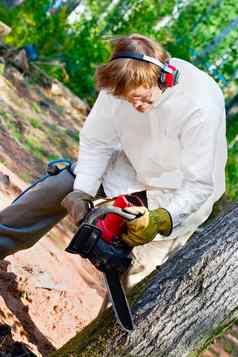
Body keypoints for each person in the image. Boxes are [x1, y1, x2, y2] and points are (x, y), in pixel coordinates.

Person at [0, 33, 227, 288]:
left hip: (180, 193)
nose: (136, 105)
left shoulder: (199, 107)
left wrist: (160, 218)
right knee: (58, 187)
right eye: (129, 99)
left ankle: (117, 323)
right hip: (132, 165)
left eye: (142, 98)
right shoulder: (119, 84)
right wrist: (83, 191)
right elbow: (97, 140)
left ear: (163, 78)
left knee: (134, 274)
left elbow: (199, 185)